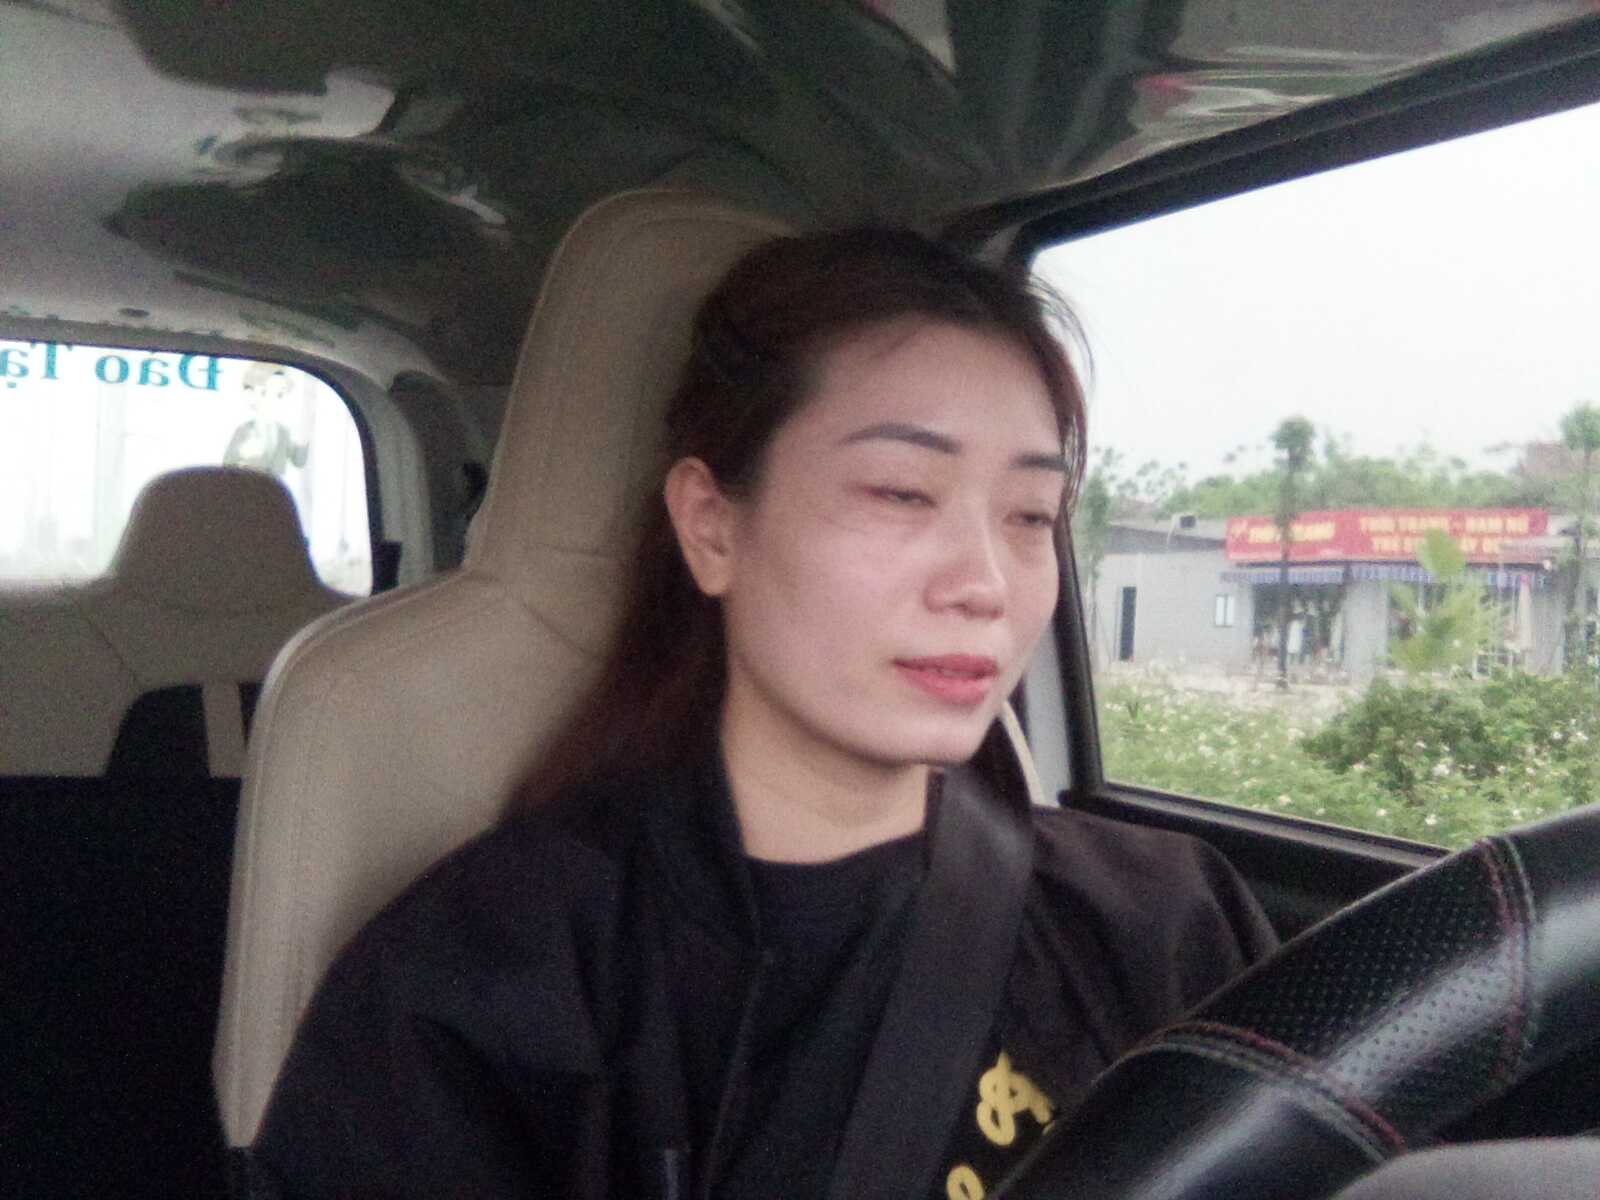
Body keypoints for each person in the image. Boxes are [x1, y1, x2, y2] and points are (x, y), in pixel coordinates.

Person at [243, 229, 1277, 1199]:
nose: (986, 583)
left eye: (1030, 516)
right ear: (710, 526)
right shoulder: (485, 990)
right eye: (900, 493)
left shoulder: (1163, 916)